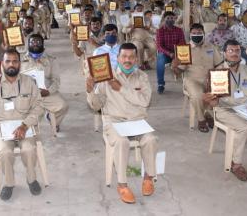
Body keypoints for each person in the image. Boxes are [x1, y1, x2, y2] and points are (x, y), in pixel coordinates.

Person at [86, 43, 158, 204]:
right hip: (114, 121)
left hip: (137, 121)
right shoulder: (106, 76)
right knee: (121, 141)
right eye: (124, 57)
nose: (127, 60)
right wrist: (90, 90)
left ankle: (148, 176)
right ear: (117, 58)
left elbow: (145, 101)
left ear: (136, 59)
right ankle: (122, 184)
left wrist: (120, 89)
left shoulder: (142, 77)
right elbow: (97, 105)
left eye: (131, 57)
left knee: (151, 139)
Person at [0, 49, 44, 200]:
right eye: (8, 61)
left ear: (19, 63)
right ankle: (9, 183)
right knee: (5, 152)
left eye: (15, 61)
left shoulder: (29, 82)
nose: (11, 64)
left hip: (25, 125)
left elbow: (38, 107)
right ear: (2, 64)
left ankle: (31, 179)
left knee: (29, 149)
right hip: (3, 126)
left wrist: (24, 126)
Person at [203, 39, 247, 181]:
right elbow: (212, 101)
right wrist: (209, 99)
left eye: (237, 50)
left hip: (246, 107)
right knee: (244, 128)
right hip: (225, 109)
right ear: (224, 53)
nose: (235, 53)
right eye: (231, 51)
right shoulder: (216, 73)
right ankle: (235, 164)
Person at [172, 24, 222, 132]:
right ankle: (201, 119)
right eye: (194, 33)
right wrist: (175, 66)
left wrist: (217, 77)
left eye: (199, 33)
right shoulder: (185, 49)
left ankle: (208, 112)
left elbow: (219, 64)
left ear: (204, 34)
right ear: (190, 35)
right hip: (193, 80)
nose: (196, 35)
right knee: (197, 95)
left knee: (222, 90)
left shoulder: (211, 47)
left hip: (210, 79)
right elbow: (179, 71)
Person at [21, 34, 68, 132]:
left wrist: (48, 91)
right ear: (28, 44)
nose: (35, 44)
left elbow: (56, 81)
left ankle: (53, 120)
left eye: (38, 42)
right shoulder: (21, 60)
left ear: (43, 44)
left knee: (63, 105)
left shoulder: (51, 60)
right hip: (27, 95)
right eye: (32, 42)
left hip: (45, 93)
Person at [155, 11, 186, 94]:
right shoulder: (160, 31)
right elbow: (159, 46)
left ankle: (187, 83)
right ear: (164, 19)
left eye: (172, 18)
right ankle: (160, 84)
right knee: (160, 59)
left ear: (175, 19)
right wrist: (169, 53)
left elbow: (182, 42)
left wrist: (176, 53)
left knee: (188, 57)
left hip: (177, 53)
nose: (170, 20)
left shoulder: (179, 30)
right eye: (168, 18)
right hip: (166, 54)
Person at [123, 4, 156, 70]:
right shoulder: (131, 19)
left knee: (154, 47)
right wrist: (131, 28)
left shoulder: (147, 19)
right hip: (136, 39)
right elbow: (123, 30)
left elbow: (154, 30)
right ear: (135, 10)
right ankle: (140, 64)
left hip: (147, 38)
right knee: (139, 47)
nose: (139, 10)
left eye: (141, 9)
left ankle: (146, 61)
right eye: (138, 9)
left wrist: (148, 28)